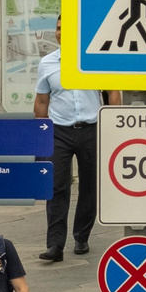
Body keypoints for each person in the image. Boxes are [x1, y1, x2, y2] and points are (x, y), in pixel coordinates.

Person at [34, 47, 108, 262]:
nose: (60, 32)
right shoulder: (47, 63)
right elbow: (41, 100)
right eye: (57, 28)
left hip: (91, 129)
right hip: (59, 131)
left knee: (90, 185)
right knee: (56, 185)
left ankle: (82, 236)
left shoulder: (95, 58)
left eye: (64, 28)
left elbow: (112, 93)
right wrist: (40, 138)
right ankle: (55, 244)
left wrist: (115, 128)